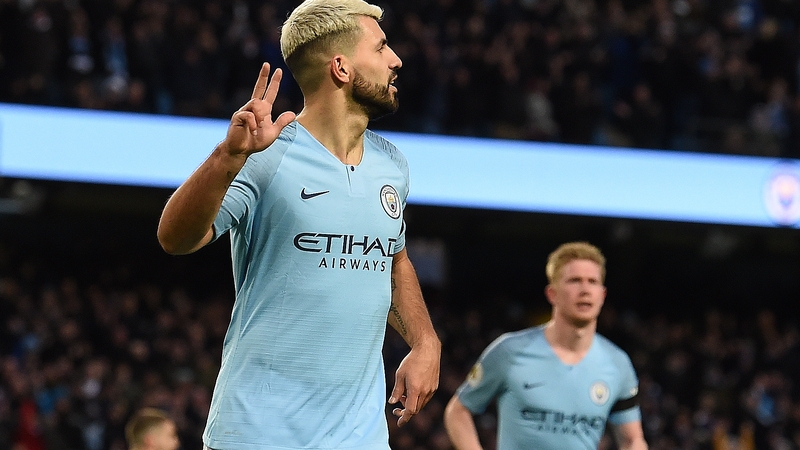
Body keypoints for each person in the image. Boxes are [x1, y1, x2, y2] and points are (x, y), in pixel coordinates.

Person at [156, 0, 441, 449]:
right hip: (259, 433)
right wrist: (228, 156)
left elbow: (392, 259)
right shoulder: (265, 155)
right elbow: (175, 239)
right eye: (381, 47)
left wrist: (425, 342)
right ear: (341, 68)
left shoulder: (392, 165)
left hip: (359, 438)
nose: (396, 60)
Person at [443, 242, 648, 450]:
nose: (585, 290)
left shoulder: (617, 363)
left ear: (602, 295)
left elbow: (632, 440)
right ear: (552, 293)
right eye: (575, 281)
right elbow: (458, 411)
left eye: (592, 282)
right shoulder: (510, 351)